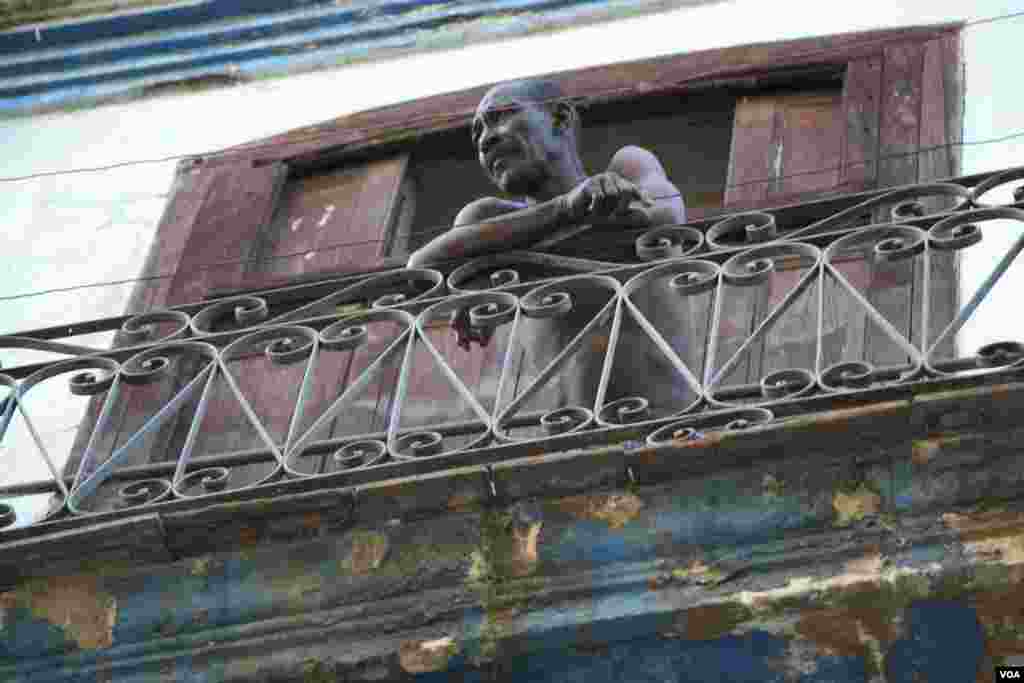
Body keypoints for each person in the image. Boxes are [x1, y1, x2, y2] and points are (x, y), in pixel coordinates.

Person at [406, 79, 686, 268]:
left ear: (560, 119)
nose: (484, 140)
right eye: (477, 133)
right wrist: (565, 208)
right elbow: (421, 266)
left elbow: (668, 215)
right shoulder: (485, 216)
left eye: (500, 116)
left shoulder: (628, 167)